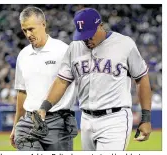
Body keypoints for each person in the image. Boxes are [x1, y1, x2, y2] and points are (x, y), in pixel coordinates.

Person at [38, 8, 152, 151]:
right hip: (86, 119)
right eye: (82, 36)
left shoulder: (124, 44)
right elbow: (62, 81)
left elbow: (141, 78)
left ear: (100, 25)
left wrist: (146, 118)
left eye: (90, 35)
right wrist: (44, 107)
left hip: (115, 119)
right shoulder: (75, 47)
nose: (86, 40)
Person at [9, 6, 78, 151]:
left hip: (57, 123)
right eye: (24, 30)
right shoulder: (23, 55)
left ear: (43, 25)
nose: (28, 34)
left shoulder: (63, 50)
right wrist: (16, 126)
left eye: (31, 29)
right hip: (29, 122)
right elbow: (22, 93)